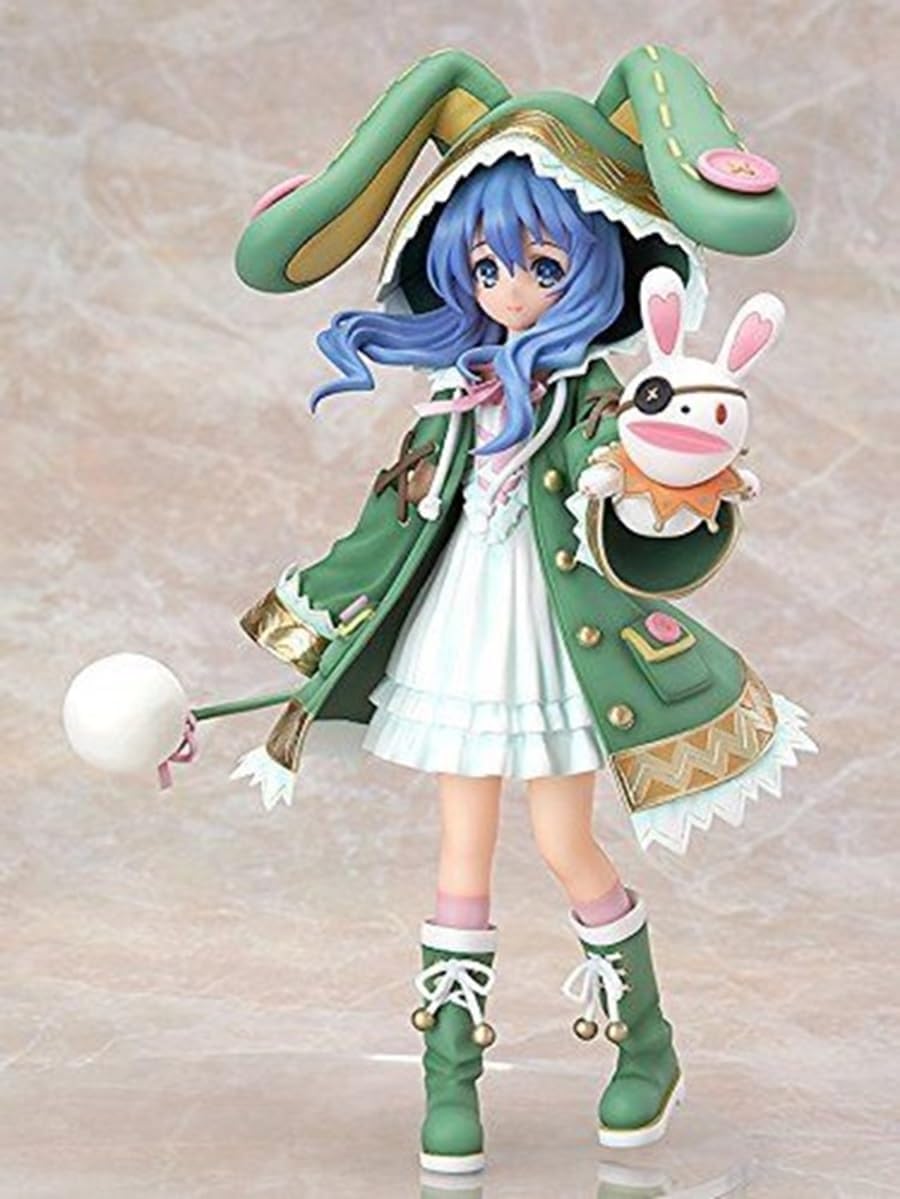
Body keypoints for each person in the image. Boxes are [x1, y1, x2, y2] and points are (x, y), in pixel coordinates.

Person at [230, 46, 815, 1174]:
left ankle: (646, 1041)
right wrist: (310, 622)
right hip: (461, 633)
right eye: (488, 264)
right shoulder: (455, 397)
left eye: (542, 264)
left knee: (562, 839)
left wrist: (662, 469)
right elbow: (390, 526)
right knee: (461, 853)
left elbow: (638, 508)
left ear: (595, 265)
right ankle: (452, 1073)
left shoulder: (600, 400)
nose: (511, 289)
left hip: (558, 641)